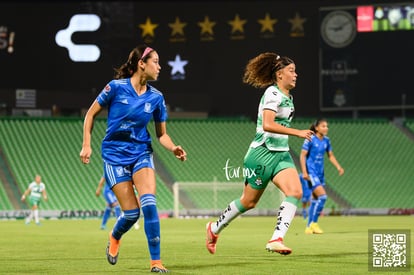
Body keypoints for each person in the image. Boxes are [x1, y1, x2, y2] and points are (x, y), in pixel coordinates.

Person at [80, 44, 187, 273]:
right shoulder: (115, 88)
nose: (159, 67)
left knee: (149, 204)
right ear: (142, 63)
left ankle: (156, 262)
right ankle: (115, 235)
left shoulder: (157, 97)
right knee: (131, 214)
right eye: (156, 62)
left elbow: (162, 135)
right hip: (114, 156)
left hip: (141, 153)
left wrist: (173, 148)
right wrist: (86, 145)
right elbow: (90, 114)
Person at [205, 52, 313, 255]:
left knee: (295, 192)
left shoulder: (288, 97)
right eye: (292, 71)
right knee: (249, 202)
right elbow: (268, 124)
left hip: (281, 154)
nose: (296, 74)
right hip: (261, 154)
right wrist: (297, 132)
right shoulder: (272, 93)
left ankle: (276, 239)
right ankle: (214, 228)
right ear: (280, 74)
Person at [300, 118, 344, 234]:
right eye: (323, 126)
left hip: (320, 173)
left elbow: (330, 155)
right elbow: (303, 155)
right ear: (316, 128)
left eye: (327, 126)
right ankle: (314, 223)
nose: (326, 128)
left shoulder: (326, 141)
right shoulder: (310, 139)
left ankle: (309, 227)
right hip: (311, 172)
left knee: (314, 200)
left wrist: (338, 167)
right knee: (323, 197)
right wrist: (304, 172)